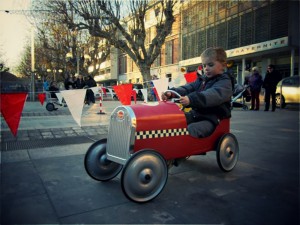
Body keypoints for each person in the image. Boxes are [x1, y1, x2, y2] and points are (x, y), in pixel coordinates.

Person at [161, 47, 232, 138]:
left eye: (210, 65)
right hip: (197, 114)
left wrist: (191, 99)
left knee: (191, 129)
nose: (206, 68)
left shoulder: (225, 82)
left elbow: (213, 95)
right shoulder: (202, 79)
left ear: (223, 65)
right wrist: (172, 93)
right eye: (204, 65)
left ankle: (179, 147)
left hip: (212, 118)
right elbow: (188, 88)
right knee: (175, 120)